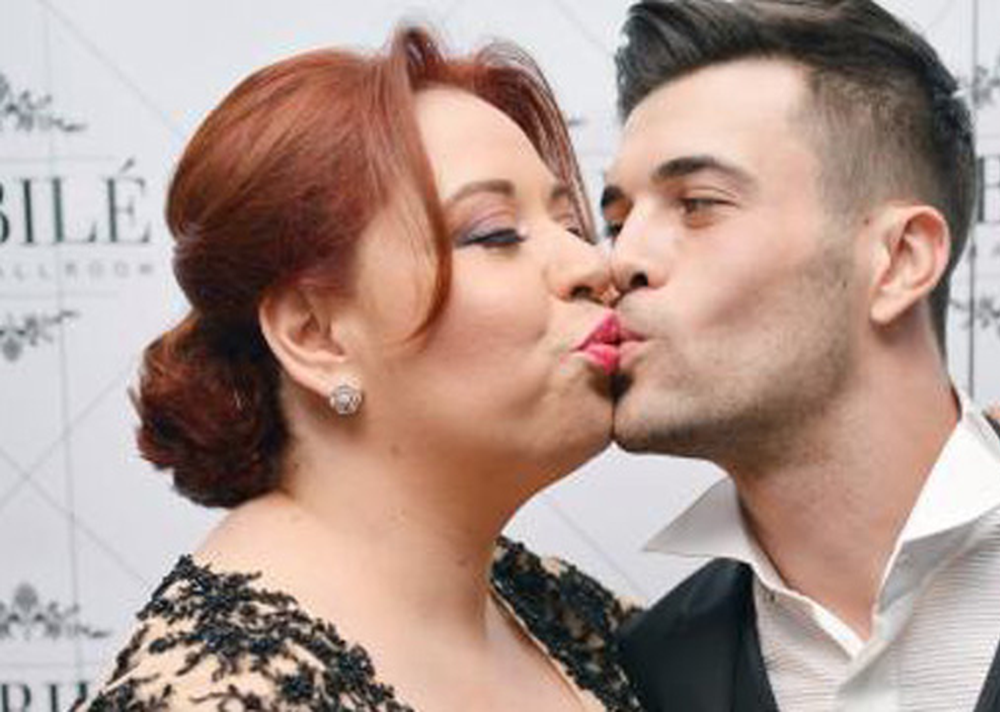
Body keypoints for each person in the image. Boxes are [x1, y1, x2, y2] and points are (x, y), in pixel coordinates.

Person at [602, 1, 1000, 711]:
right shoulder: (647, 672)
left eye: (697, 204)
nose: (621, 260)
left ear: (901, 260)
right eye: (616, 222)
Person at [82, 27, 640, 712]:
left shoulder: (567, 614)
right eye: (495, 233)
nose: (593, 265)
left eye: (573, 227)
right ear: (316, 336)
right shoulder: (215, 696)